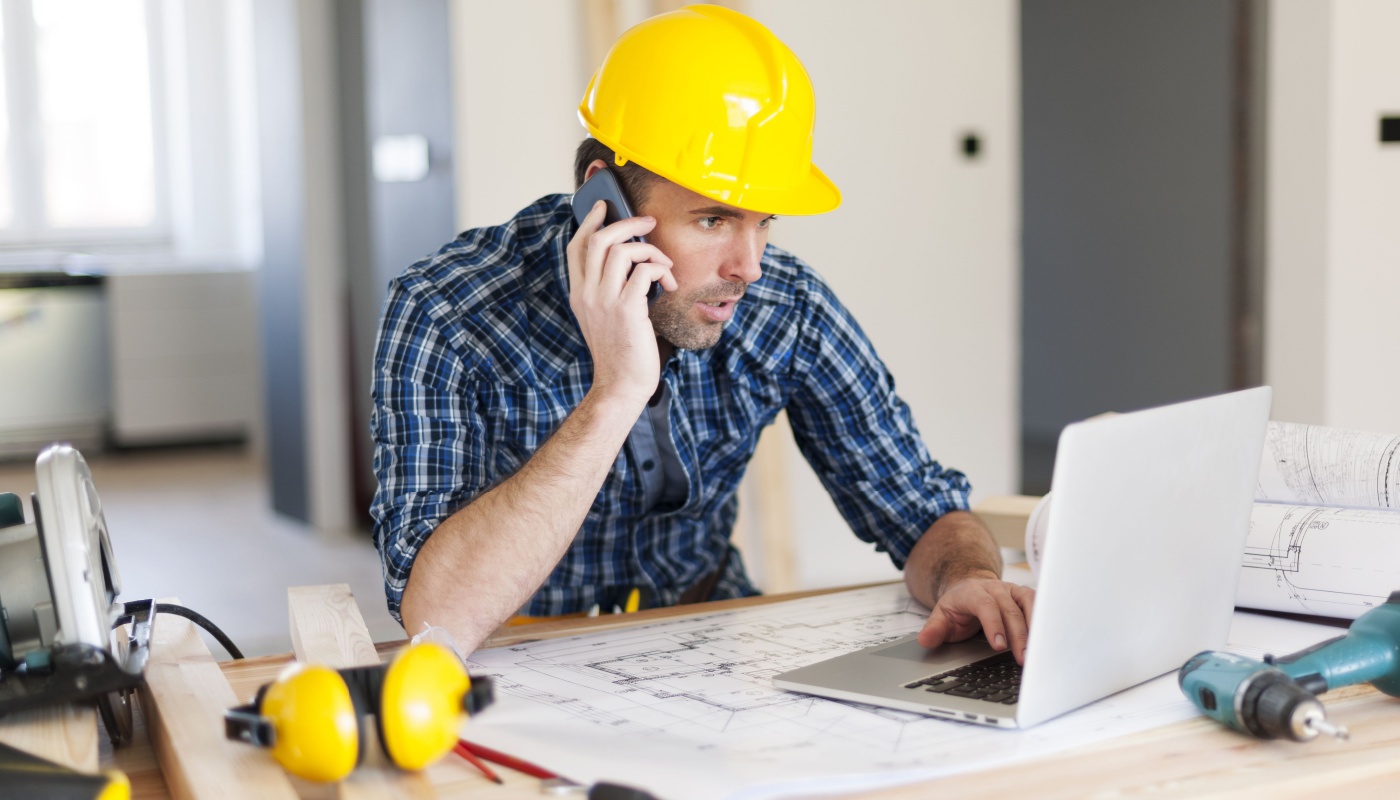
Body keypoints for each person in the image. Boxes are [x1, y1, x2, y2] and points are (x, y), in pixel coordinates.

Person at [370, 5, 1034, 658]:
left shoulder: (785, 304)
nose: (749, 267)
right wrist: (615, 393)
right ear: (604, 203)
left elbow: (918, 507)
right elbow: (438, 617)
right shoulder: (447, 313)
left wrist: (969, 579)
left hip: (709, 635)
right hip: (519, 651)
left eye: (765, 221)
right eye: (713, 220)